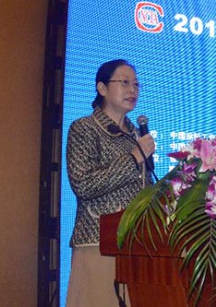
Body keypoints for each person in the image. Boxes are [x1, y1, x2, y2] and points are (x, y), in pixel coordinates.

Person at [65, 59, 155, 307]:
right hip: (98, 241)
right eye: (124, 82)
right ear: (102, 88)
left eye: (136, 84)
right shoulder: (84, 128)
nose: (132, 89)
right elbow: (83, 184)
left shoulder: (135, 134)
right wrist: (134, 157)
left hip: (137, 244)